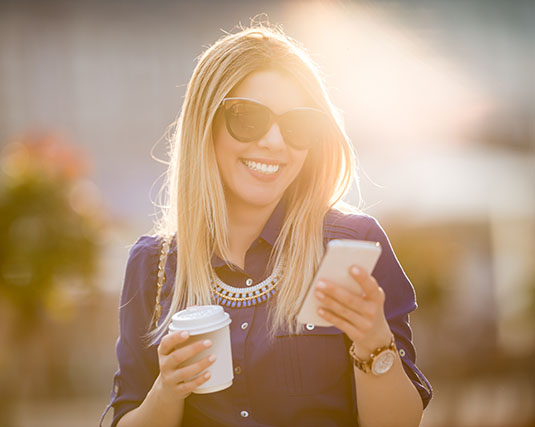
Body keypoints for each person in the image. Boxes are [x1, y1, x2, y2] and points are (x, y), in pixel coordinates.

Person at [100, 25, 432, 427]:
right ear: (206, 125)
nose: (275, 142)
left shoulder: (353, 243)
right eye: (248, 117)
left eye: (297, 126)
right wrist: (167, 390)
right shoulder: (151, 264)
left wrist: (374, 342)